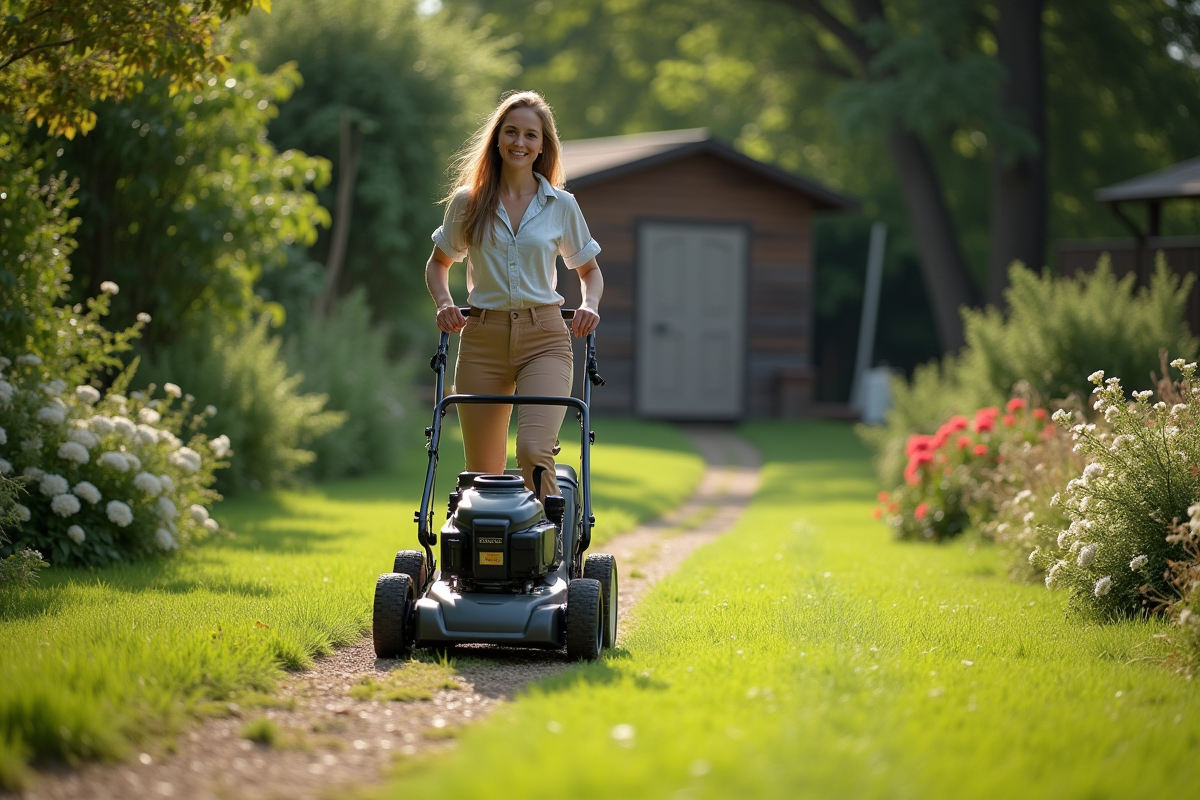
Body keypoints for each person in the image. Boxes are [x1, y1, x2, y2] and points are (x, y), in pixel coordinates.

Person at [425, 90, 604, 501]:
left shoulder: (561, 205)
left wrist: (589, 305)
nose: (519, 143)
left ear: (543, 145)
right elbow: (438, 264)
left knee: (532, 451)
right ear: (497, 138)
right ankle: (488, 560)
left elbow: (589, 271)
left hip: (545, 339)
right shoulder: (468, 202)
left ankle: (547, 544)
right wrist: (445, 303)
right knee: (483, 474)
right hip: (482, 341)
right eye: (510, 132)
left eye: (530, 135)